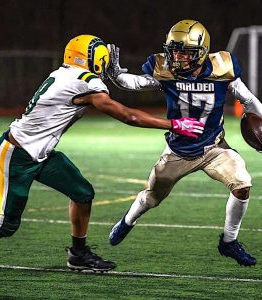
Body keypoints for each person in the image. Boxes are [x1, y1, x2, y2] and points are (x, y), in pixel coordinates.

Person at [0, 34, 204, 283]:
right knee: (6, 225)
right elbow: (127, 116)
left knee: (82, 193)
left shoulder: (65, 73)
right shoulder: (84, 82)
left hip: (41, 154)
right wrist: (174, 124)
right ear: (95, 58)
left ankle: (78, 254)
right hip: (17, 154)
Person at [108, 20, 262, 267]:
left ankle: (229, 242)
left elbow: (249, 100)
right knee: (151, 198)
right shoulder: (166, 70)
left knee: (242, 184)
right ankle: (127, 221)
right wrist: (116, 76)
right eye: (174, 51)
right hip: (178, 151)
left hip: (214, 148)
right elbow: (136, 83)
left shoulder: (222, 69)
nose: (177, 57)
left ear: (202, 52)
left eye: (185, 52)